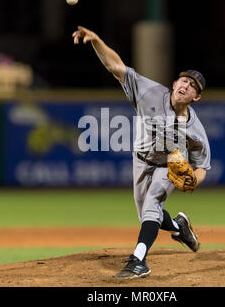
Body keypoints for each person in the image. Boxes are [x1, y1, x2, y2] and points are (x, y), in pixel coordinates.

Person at [72, 26, 211, 278]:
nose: (186, 86)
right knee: (148, 215)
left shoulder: (196, 130)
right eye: (184, 80)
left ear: (196, 97)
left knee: (152, 206)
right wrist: (96, 40)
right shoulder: (150, 92)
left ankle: (138, 261)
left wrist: (194, 181)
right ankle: (180, 227)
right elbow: (116, 67)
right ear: (174, 83)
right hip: (140, 160)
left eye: (193, 86)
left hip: (167, 167)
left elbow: (202, 167)